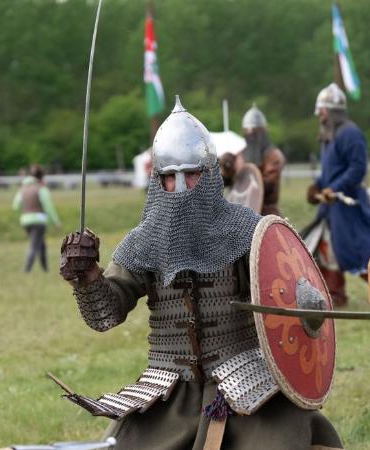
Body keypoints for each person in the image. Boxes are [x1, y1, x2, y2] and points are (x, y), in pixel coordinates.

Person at [58, 97, 343, 450]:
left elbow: (283, 285)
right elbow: (106, 314)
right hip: (169, 392)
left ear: (208, 174)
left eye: (190, 175)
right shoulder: (144, 241)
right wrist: (87, 278)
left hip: (247, 384)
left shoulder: (245, 230)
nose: (179, 188)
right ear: (156, 181)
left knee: (282, 439)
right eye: (169, 177)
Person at [307, 83, 370, 306]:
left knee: (361, 250)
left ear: (329, 111)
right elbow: (330, 170)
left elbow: (357, 169)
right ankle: (336, 295)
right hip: (331, 207)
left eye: (322, 110)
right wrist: (317, 187)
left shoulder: (351, 133)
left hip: (350, 206)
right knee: (326, 248)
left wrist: (335, 188)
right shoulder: (329, 136)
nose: (319, 114)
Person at [13, 165, 61, 272]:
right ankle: (26, 270)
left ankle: (45, 269)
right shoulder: (41, 189)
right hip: (39, 221)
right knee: (34, 245)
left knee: (41, 244)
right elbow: (48, 207)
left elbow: (16, 205)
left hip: (25, 220)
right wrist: (56, 221)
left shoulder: (22, 188)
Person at [240, 103, 286, 216]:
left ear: (262, 132)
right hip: (244, 211)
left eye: (254, 133)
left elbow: (266, 185)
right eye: (248, 133)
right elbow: (234, 178)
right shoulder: (242, 154)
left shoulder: (274, 156)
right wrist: (227, 168)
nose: (251, 136)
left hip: (267, 212)